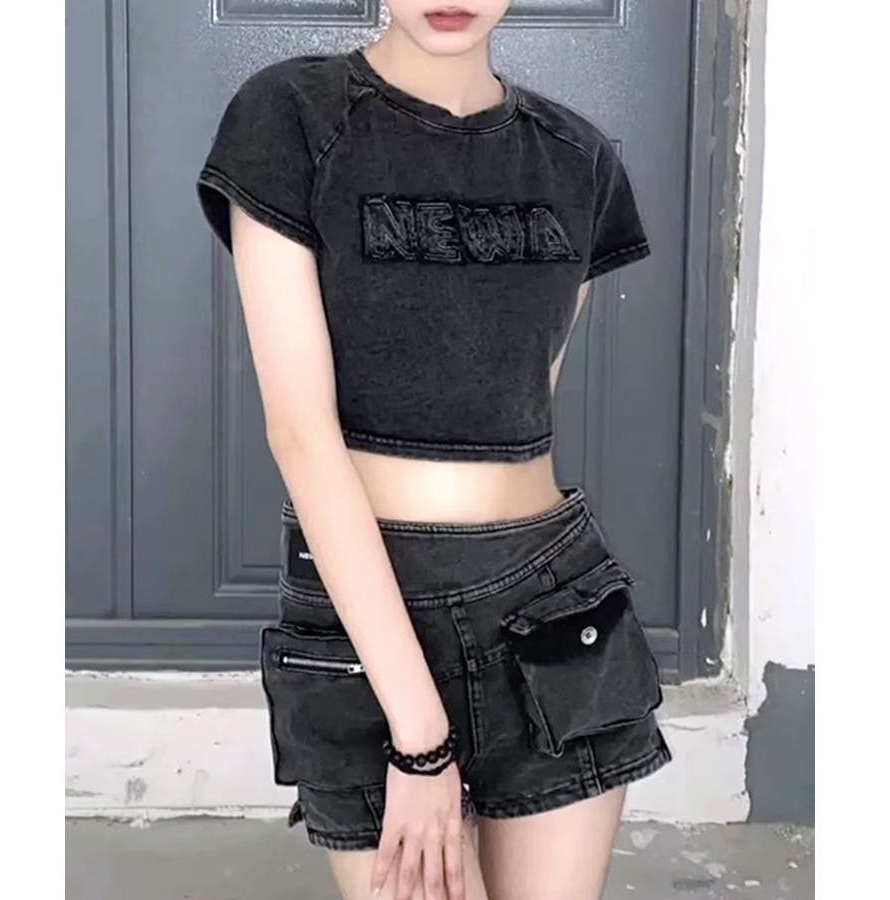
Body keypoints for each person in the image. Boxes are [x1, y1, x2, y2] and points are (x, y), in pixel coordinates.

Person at [195, 2, 672, 898]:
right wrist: (421, 742)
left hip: (552, 600)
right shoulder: (292, 116)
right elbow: (300, 433)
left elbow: (523, 396)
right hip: (372, 604)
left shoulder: (579, 159)